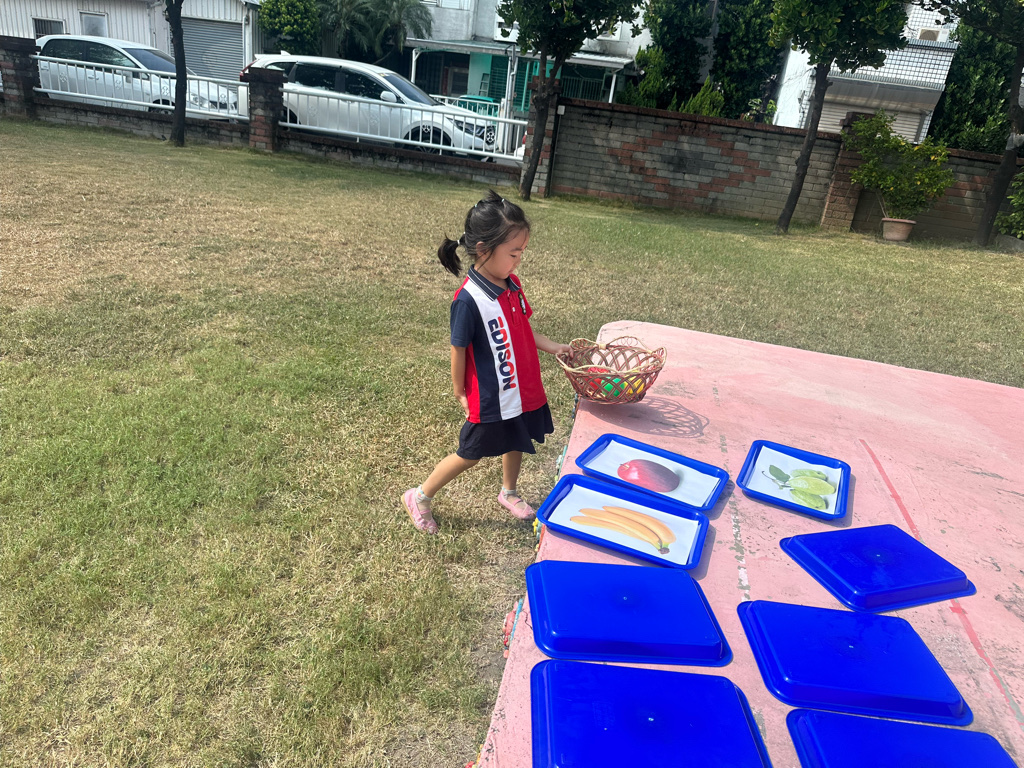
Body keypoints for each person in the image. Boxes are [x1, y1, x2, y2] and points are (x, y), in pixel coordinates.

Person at [403, 191, 571, 534]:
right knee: (471, 452)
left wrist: (554, 347)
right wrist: (459, 390)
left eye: (522, 252)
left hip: (519, 387)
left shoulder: (512, 285)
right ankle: (419, 496)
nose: (519, 260)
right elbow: (458, 348)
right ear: (483, 250)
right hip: (491, 395)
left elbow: (523, 329)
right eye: (514, 253)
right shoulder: (468, 300)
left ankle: (508, 492)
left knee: (517, 438)